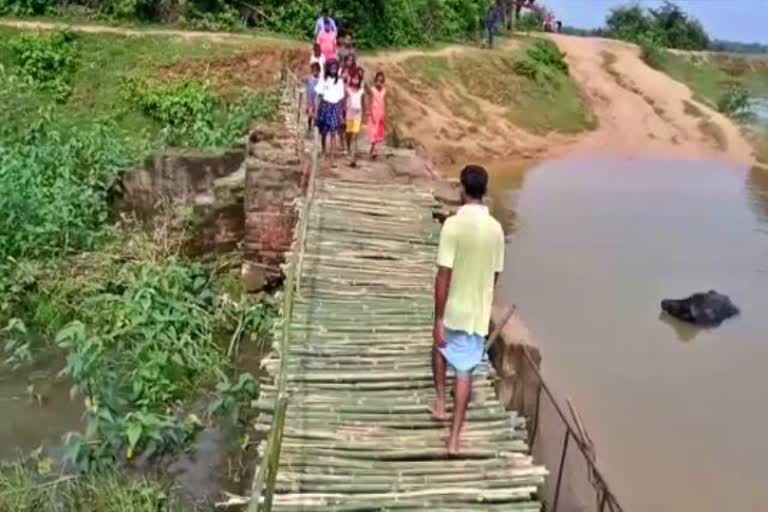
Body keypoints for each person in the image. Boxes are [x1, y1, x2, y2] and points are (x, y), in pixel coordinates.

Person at [432, 165, 505, 455]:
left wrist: (439, 317)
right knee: (465, 373)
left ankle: (439, 402)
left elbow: (443, 274)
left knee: (438, 348)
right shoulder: (496, 230)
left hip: (453, 307)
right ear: (484, 191)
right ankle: (454, 438)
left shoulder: (453, 225)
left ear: (462, 189)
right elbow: (496, 273)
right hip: (476, 312)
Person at [315, 59, 345, 168]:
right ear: (328, 68)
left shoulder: (339, 81)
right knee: (324, 132)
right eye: (332, 67)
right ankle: (323, 150)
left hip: (334, 107)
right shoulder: (323, 79)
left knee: (333, 133)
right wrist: (316, 109)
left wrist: (341, 114)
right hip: (324, 105)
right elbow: (319, 95)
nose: (334, 69)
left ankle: (332, 158)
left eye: (335, 67)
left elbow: (341, 98)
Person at [345, 71, 365, 167]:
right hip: (349, 114)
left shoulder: (361, 91)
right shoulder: (348, 90)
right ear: (351, 79)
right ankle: (348, 148)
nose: (355, 80)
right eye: (354, 78)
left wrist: (364, 114)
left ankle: (353, 156)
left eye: (357, 78)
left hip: (358, 115)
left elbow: (363, 103)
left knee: (355, 135)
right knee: (349, 134)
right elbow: (345, 102)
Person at [367, 71, 386, 159]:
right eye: (378, 80)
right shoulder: (372, 90)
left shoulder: (384, 91)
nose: (379, 83)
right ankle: (374, 149)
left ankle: (373, 149)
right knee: (373, 132)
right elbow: (370, 101)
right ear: (375, 80)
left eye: (381, 81)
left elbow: (384, 103)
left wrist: (384, 114)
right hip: (373, 113)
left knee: (378, 133)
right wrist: (369, 112)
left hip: (380, 113)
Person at [304, 61, 321, 135]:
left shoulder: (321, 79)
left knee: (316, 115)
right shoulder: (309, 78)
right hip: (310, 100)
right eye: (313, 70)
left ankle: (315, 128)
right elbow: (303, 81)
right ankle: (309, 126)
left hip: (318, 100)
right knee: (310, 114)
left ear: (319, 71)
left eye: (316, 70)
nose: (315, 72)